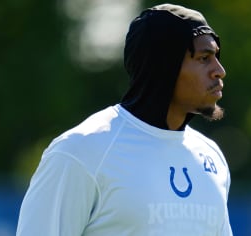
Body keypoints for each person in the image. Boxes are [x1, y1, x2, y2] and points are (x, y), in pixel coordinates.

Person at [16, 3, 232, 235]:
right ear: (163, 65)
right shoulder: (80, 152)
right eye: (203, 58)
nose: (219, 70)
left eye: (216, 57)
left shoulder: (212, 157)